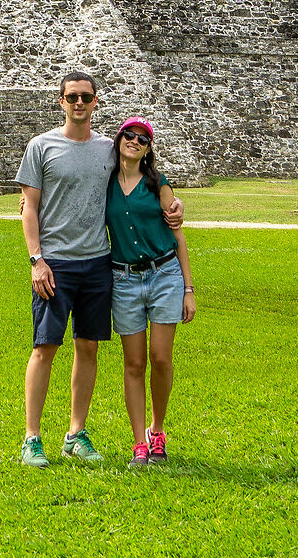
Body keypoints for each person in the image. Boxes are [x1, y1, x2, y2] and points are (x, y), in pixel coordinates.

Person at [15, 71, 180, 467]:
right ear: (60, 101)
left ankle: (76, 432)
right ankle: (32, 437)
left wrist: (173, 206)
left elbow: (141, 175)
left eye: (86, 97)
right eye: (71, 96)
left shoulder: (109, 148)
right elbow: (28, 207)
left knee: (87, 347)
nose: (79, 103)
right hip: (55, 264)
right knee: (44, 348)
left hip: (97, 263)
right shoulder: (41, 146)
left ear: (95, 102)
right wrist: (36, 260)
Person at [106, 117, 193, 466]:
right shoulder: (106, 182)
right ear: (119, 139)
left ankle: (157, 430)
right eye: (129, 135)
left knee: (159, 357)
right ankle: (139, 441)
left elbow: (178, 235)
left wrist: (188, 288)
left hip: (164, 275)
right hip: (124, 280)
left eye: (143, 139)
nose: (135, 141)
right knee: (134, 362)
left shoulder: (158, 183)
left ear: (148, 148)